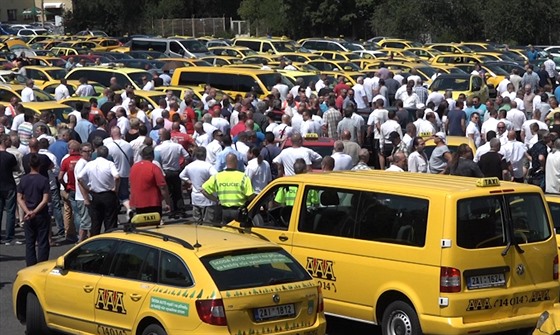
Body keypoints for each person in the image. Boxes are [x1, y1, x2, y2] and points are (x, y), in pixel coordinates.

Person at [77, 146, 120, 236]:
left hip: (95, 195)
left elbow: (80, 177)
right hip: (108, 194)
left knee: (95, 222)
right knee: (110, 221)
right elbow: (116, 176)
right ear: (107, 154)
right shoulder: (109, 164)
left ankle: (95, 241)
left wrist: (87, 188)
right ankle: (110, 240)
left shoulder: (90, 164)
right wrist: (115, 188)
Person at [17, 153, 50, 266]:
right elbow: (45, 199)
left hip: (28, 215)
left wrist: (27, 211)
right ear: (39, 165)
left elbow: (19, 198)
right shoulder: (44, 180)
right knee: (43, 242)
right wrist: (35, 211)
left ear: (29, 165)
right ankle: (41, 266)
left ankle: (30, 266)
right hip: (41, 214)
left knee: (30, 242)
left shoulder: (24, 180)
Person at [202, 153, 254, 224]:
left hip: (224, 211)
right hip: (239, 211)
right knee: (239, 233)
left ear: (226, 162)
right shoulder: (243, 177)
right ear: (236, 162)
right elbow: (251, 195)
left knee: (226, 232)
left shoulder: (217, 176)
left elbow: (203, 190)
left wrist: (216, 200)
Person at [155, 128, 189, 217]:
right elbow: (187, 156)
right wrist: (183, 165)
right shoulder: (177, 146)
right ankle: (181, 209)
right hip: (176, 170)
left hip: (165, 171)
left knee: (169, 192)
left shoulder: (158, 148)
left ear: (162, 136)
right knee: (178, 191)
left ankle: (172, 211)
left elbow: (157, 162)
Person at [130, 146, 171, 216]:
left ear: (142, 156)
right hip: (153, 202)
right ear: (153, 156)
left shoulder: (133, 167)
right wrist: (167, 202)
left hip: (138, 203)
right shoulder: (154, 167)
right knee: (154, 224)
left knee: (142, 224)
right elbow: (162, 187)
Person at [0, 134, 19, 244]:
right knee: (10, 212)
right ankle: (9, 237)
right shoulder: (10, 156)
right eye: (8, 140)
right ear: (4, 141)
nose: (10, 142)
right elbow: (16, 168)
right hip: (9, 185)